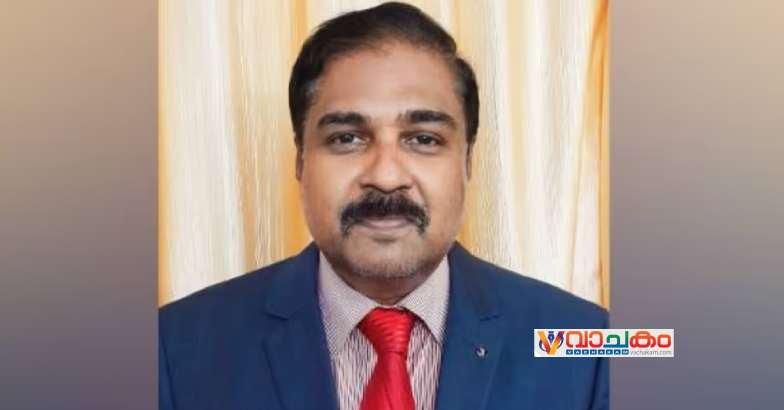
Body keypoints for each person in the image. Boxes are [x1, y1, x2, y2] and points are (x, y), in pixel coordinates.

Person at [159, 2, 608, 410]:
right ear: (300, 161)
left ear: (468, 162)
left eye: (424, 139)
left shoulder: (593, 349)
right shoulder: (172, 349)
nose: (387, 176)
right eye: (346, 139)